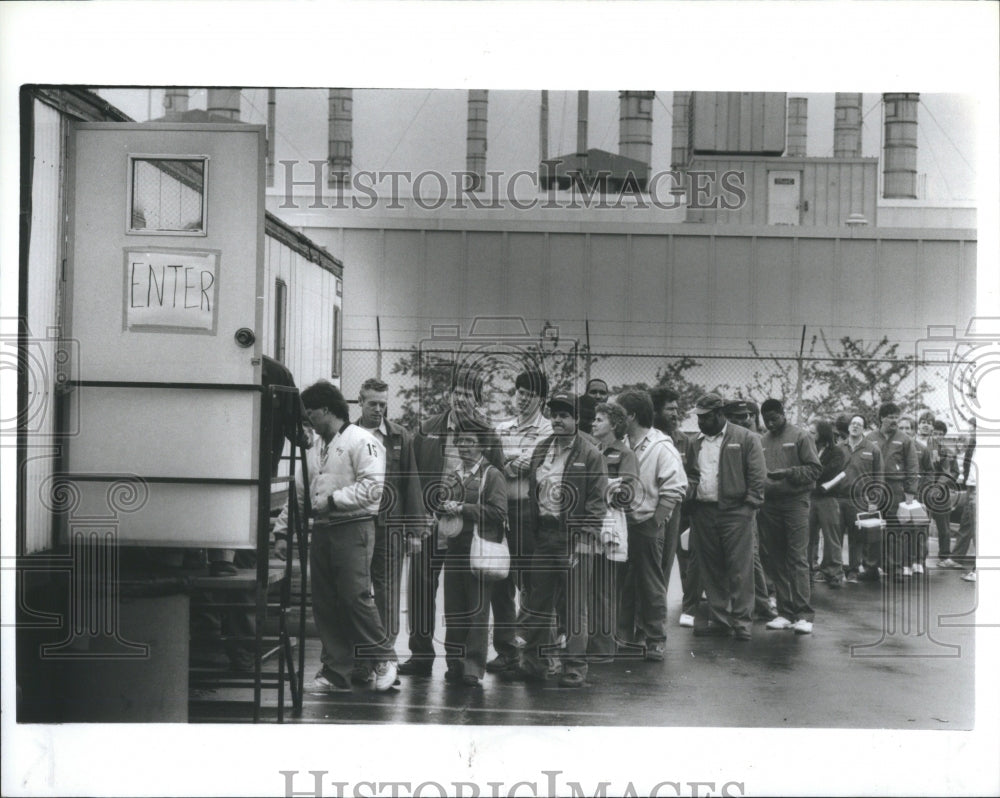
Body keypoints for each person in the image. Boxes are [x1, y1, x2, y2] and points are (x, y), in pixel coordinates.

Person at [273, 380, 397, 693]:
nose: (307, 420)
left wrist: (333, 500)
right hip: (324, 529)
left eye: (310, 413)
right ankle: (335, 671)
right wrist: (283, 530)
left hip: (354, 525)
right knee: (325, 601)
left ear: (327, 410)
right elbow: (300, 492)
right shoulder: (315, 447)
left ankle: (384, 657)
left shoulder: (362, 441)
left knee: (354, 596)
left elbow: (373, 488)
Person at [402, 369, 504, 677]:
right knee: (420, 591)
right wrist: (416, 520)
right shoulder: (428, 429)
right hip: (430, 526)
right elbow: (412, 477)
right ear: (449, 395)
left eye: (467, 394)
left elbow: (495, 478)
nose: (460, 398)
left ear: (478, 400)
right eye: (456, 392)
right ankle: (420, 655)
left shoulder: (488, 434)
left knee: (467, 601)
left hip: (469, 534)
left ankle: (465, 664)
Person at [503, 391, 608, 687]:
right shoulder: (541, 449)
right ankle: (534, 663)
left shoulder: (591, 454)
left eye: (565, 415)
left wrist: (584, 540)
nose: (558, 420)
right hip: (545, 535)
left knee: (574, 605)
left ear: (576, 419)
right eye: (555, 415)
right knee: (538, 602)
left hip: (575, 538)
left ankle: (574, 666)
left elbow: (597, 503)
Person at [352, 378, 424, 684]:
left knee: (388, 594)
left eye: (383, 404)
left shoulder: (398, 436)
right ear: (360, 402)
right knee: (356, 593)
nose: (379, 410)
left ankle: (384, 660)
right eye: (373, 404)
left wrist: (415, 531)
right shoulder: (349, 435)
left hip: (390, 526)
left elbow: (411, 482)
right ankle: (360, 661)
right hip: (355, 524)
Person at [684, 394, 766, 640]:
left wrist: (749, 505)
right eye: (698, 417)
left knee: (740, 568)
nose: (701, 422)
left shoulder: (745, 438)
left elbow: (757, 474)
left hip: (736, 512)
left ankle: (742, 623)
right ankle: (720, 620)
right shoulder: (694, 442)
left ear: (720, 414)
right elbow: (690, 473)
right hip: (703, 511)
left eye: (706, 417)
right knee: (712, 569)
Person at [616, 389, 688, 660]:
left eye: (620, 413)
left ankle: (655, 638)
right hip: (622, 525)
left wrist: (656, 522)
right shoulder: (622, 442)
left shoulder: (661, 445)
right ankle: (623, 634)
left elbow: (676, 487)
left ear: (632, 415)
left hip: (646, 523)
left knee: (651, 583)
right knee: (623, 583)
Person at [488, 369, 552, 674]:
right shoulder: (502, 427)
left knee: (532, 582)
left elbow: (529, 464)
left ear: (541, 399)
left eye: (530, 394)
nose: (523, 399)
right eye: (520, 392)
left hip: (530, 512)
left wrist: (510, 463)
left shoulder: (548, 430)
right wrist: (512, 463)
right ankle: (507, 650)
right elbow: (496, 464)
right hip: (503, 510)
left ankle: (535, 652)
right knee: (501, 581)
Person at [439, 429, 508, 686]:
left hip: (479, 549)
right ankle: (454, 662)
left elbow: (498, 512)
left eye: (471, 442)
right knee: (453, 609)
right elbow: (440, 502)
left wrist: (463, 508)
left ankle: (472, 666)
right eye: (461, 442)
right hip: (455, 547)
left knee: (477, 609)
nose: (464, 447)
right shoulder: (453, 474)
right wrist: (442, 506)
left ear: (482, 446)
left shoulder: (492, 475)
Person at [757, 398, 821, 634]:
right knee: (776, 558)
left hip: (795, 502)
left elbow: (815, 469)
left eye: (774, 418)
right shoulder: (762, 440)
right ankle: (785, 612)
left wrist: (789, 473)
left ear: (783, 414)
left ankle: (804, 614)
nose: (771, 423)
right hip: (770, 505)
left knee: (797, 557)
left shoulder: (800, 436)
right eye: (767, 420)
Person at [589, 401, 640, 659]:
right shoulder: (590, 451)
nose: (593, 423)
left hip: (610, 526)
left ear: (615, 424)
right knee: (587, 585)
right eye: (594, 419)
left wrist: (601, 489)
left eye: (599, 419)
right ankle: (588, 641)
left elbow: (627, 494)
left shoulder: (625, 455)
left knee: (604, 588)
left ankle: (603, 648)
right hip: (589, 524)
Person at [723, 398, 775, 620]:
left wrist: (751, 503)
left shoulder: (754, 439)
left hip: (748, 506)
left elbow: (759, 476)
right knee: (749, 555)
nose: (743, 420)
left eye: (747, 416)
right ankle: (760, 603)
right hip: (740, 506)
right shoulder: (735, 438)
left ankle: (762, 604)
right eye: (737, 417)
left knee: (751, 554)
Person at [865, 402, 919, 581]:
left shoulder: (904, 439)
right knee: (872, 529)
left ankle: (894, 568)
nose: (895, 420)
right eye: (891, 417)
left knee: (894, 530)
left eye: (897, 417)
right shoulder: (870, 437)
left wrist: (910, 493)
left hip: (896, 488)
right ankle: (871, 568)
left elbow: (912, 467)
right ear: (882, 418)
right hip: (874, 487)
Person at [837, 414, 883, 583]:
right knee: (836, 536)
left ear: (863, 428)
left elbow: (878, 477)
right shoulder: (839, 447)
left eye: (859, 424)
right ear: (848, 427)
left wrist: (874, 501)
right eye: (853, 423)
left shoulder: (872, 449)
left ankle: (853, 571)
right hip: (839, 498)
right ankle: (835, 570)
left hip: (860, 500)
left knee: (856, 538)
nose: (855, 426)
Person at [807, 420, 848, 588]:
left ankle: (834, 572)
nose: (809, 435)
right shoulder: (807, 448)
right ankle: (808, 568)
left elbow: (828, 472)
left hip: (828, 498)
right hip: (809, 497)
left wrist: (809, 474)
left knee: (831, 536)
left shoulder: (836, 452)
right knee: (808, 535)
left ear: (822, 434)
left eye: (813, 432)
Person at [930, 419, 959, 566]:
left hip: (942, 493)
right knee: (921, 524)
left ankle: (944, 556)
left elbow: (955, 472)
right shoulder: (924, 449)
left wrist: (943, 482)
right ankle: (918, 558)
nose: (937, 436)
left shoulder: (949, 452)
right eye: (935, 433)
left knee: (944, 527)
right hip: (925, 491)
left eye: (940, 434)